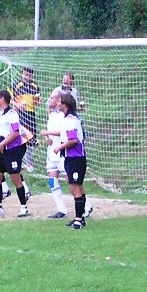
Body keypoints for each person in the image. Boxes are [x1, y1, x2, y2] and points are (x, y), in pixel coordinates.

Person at [41, 91, 93, 220]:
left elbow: (66, 134)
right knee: (52, 181)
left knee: (74, 183)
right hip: (53, 152)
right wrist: (47, 138)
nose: (49, 100)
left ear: (60, 100)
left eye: (52, 98)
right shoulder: (52, 115)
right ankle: (61, 209)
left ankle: (86, 207)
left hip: (66, 153)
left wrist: (49, 133)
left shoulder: (65, 116)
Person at [0, 90, 30, 217]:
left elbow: (15, 132)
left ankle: (24, 207)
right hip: (1, 151)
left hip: (12, 151)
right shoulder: (1, 114)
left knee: (15, 178)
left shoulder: (12, 113)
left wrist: (3, 143)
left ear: (3, 99)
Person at [53, 94, 90, 229]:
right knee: (76, 187)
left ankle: (79, 220)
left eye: (59, 101)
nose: (57, 103)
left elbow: (73, 140)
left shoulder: (70, 119)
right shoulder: (69, 118)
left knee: (75, 188)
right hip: (72, 158)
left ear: (65, 104)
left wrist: (59, 147)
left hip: (76, 158)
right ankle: (80, 218)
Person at [10, 66, 40, 172]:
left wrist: (36, 102)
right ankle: (20, 161)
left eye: (28, 74)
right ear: (22, 74)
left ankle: (29, 162)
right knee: (21, 137)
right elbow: (10, 100)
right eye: (24, 74)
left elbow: (37, 101)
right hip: (20, 114)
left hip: (30, 114)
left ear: (31, 75)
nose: (26, 76)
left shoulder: (35, 86)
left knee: (31, 137)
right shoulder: (16, 86)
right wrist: (18, 105)